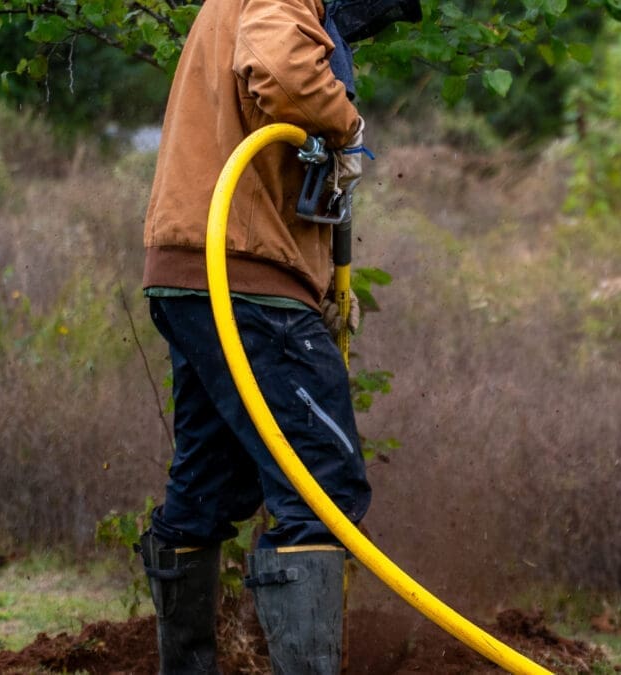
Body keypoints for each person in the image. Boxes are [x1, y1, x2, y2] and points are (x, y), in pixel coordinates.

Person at [138, 0, 419, 672]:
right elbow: (281, 69)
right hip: (244, 277)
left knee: (207, 486)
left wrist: (313, 286)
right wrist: (346, 128)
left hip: (198, 275)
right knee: (321, 487)